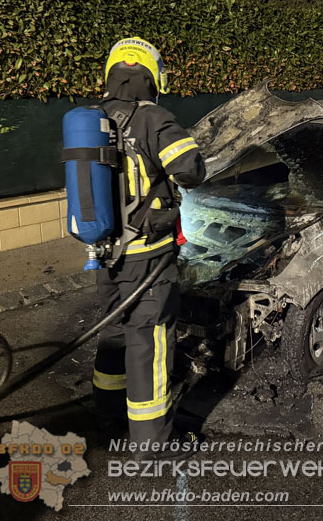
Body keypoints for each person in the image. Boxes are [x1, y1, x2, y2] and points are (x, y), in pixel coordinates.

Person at [92, 37, 206, 460]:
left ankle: (107, 417)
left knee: (113, 334)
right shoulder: (153, 117)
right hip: (147, 254)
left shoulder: (91, 118)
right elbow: (192, 170)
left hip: (104, 254)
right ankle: (152, 445)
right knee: (150, 343)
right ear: (151, 76)